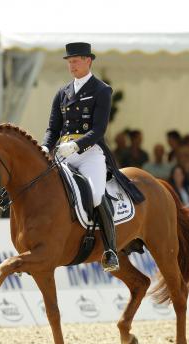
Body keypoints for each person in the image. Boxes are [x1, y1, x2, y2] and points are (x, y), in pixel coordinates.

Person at [42, 42, 144, 272]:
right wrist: (45, 147)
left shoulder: (101, 90)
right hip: (63, 152)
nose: (72, 65)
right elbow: (52, 127)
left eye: (76, 61)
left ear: (88, 61)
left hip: (89, 153)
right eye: (69, 62)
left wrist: (77, 145)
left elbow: (98, 129)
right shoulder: (62, 92)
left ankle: (110, 250)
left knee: (96, 195)